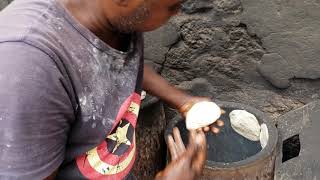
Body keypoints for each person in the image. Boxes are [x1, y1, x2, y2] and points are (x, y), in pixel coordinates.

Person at [0, 0, 223, 179]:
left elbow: (116, 64)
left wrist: (182, 100)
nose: (176, 13)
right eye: (173, 6)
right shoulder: (29, 69)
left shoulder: (116, 19)